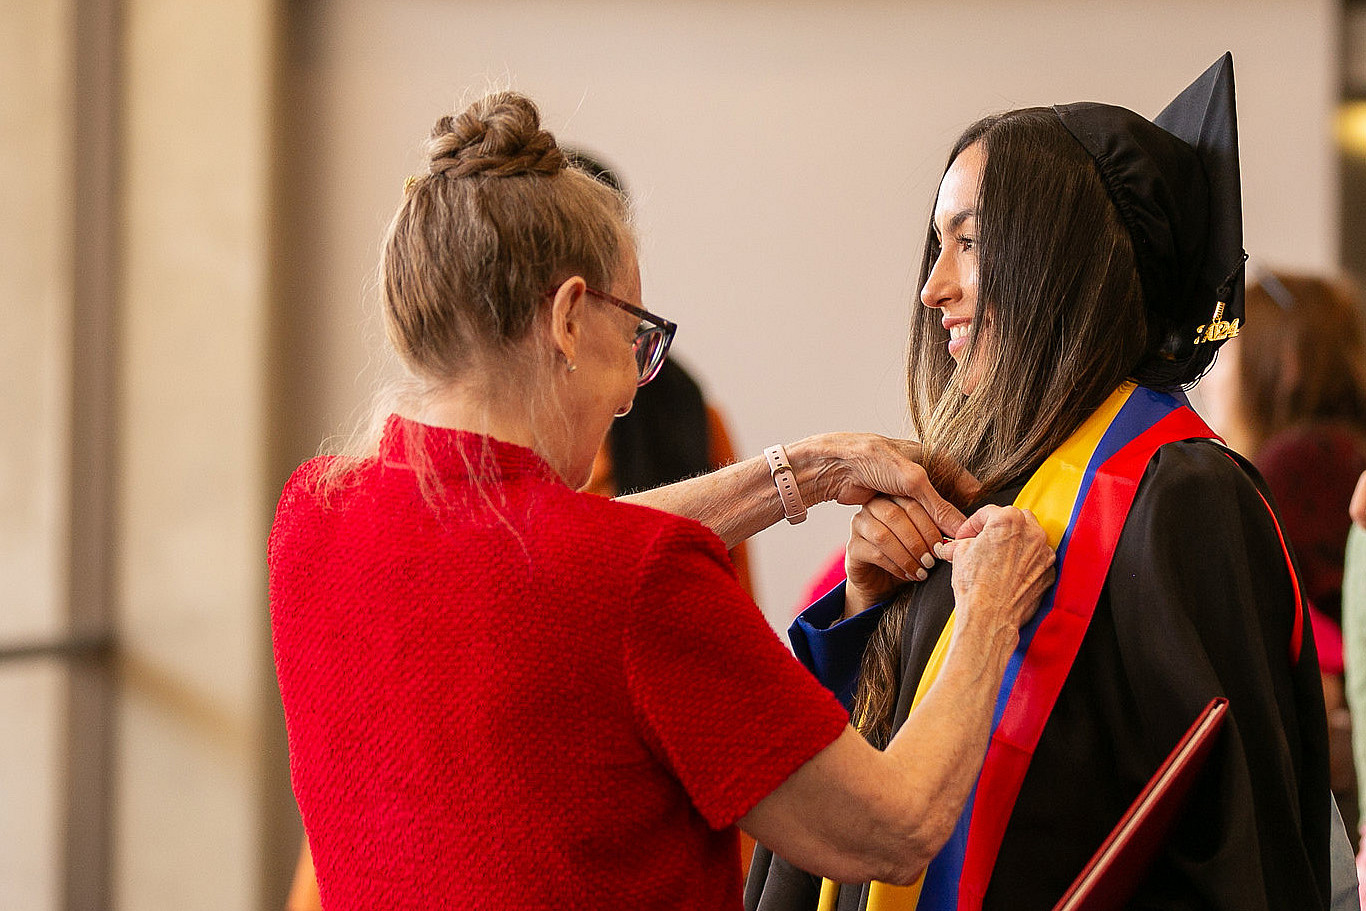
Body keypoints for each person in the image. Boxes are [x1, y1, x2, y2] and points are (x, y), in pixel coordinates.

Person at [269, 91, 1057, 910]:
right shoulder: (635, 580)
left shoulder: (313, 518)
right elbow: (892, 827)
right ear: (570, 317)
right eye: (635, 339)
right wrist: (991, 609)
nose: (630, 396)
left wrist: (804, 470)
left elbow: (537, 563)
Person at [747, 54, 1334, 910]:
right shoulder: (984, 492)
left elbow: (1237, 841)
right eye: (937, 243)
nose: (932, 287)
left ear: (1061, 260)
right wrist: (866, 613)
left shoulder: (1184, 495)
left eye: (970, 242)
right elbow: (860, 808)